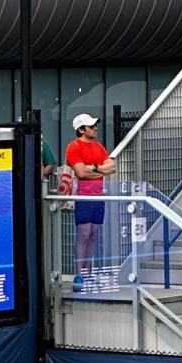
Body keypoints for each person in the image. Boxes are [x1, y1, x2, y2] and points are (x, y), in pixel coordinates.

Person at [65, 113, 116, 290]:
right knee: (84, 234)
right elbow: (80, 172)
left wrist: (93, 168)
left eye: (94, 125)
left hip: (98, 195)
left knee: (93, 233)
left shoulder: (98, 146)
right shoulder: (73, 147)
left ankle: (87, 273)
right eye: (91, 126)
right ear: (81, 129)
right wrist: (101, 170)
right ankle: (79, 274)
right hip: (82, 196)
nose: (95, 128)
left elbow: (112, 166)